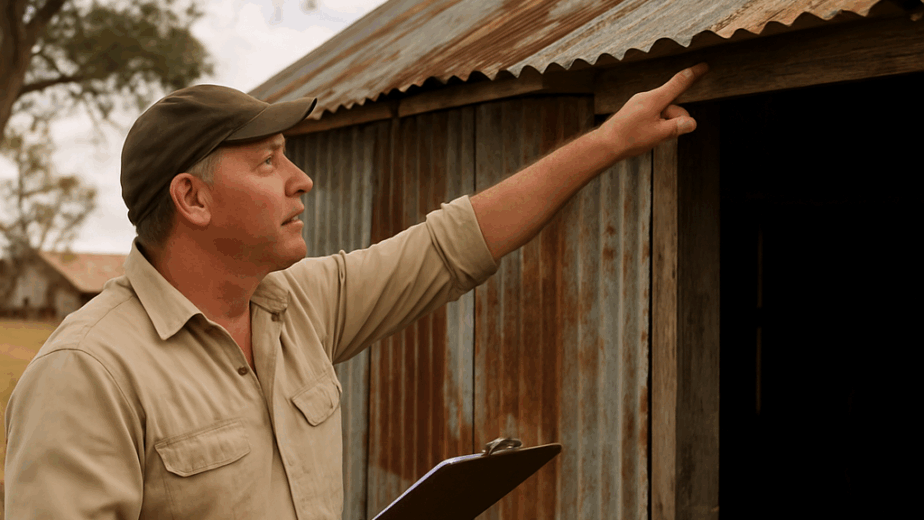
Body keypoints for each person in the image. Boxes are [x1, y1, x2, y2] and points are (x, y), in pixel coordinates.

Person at [3, 63, 708, 519]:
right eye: (268, 161)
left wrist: (607, 142)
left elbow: (450, 246)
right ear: (191, 197)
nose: (300, 178)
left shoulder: (300, 305)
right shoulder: (89, 374)